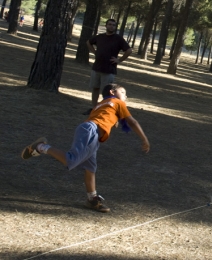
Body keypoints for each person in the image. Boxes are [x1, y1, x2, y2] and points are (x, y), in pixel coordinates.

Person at [21, 83, 150, 213]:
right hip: (91, 132)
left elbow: (106, 116)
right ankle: (41, 147)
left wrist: (113, 120)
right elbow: (132, 122)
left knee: (90, 168)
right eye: (123, 93)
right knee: (71, 160)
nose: (125, 96)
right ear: (112, 92)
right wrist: (144, 139)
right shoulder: (117, 102)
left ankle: (92, 199)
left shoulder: (103, 103)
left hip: (89, 131)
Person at [84, 19, 132, 115]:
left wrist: (119, 60)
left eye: (113, 25)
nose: (111, 26)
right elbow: (88, 42)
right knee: (95, 88)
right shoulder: (100, 37)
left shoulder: (118, 39)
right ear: (106, 26)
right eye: (109, 24)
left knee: (108, 92)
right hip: (97, 67)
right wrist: (95, 52)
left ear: (115, 27)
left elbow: (129, 50)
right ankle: (94, 108)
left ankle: (105, 110)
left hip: (109, 69)